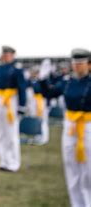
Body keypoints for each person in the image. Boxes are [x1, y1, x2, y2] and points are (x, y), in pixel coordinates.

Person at [40, 49, 91, 207]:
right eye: (75, 64)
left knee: (88, 170)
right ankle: (76, 203)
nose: (77, 67)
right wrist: (43, 79)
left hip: (88, 125)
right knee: (71, 167)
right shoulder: (68, 81)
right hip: (70, 126)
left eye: (81, 64)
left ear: (89, 65)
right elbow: (49, 93)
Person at [0, 45, 27, 172]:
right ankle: (3, 161)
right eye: (4, 54)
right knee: (0, 133)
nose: (5, 56)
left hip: (11, 100)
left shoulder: (17, 69)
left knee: (11, 134)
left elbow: (22, 88)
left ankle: (13, 163)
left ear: (12, 55)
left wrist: (21, 106)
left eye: (8, 54)